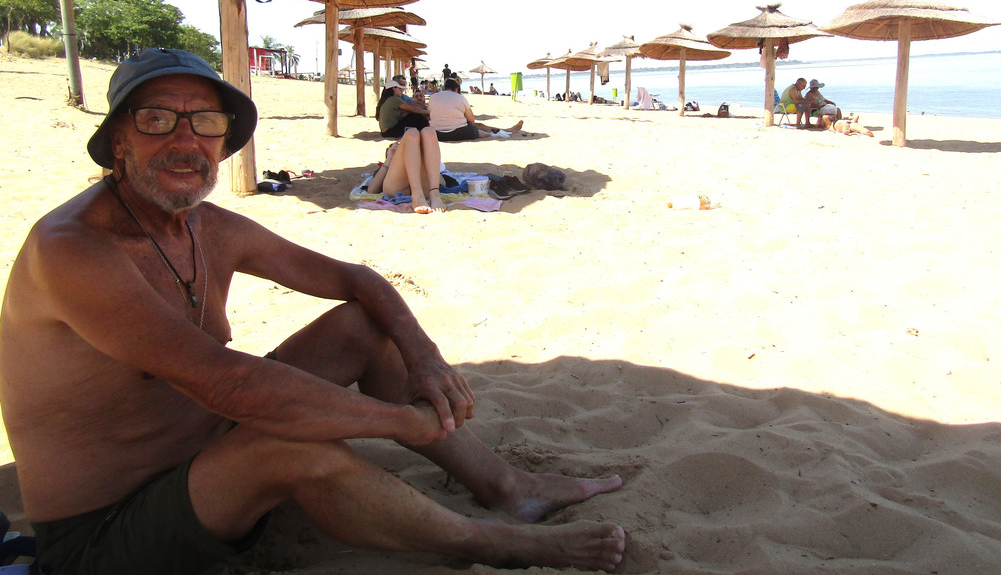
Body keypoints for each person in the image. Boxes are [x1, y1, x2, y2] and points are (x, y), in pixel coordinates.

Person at [0, 48, 625, 575]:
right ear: (118, 139)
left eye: (206, 122)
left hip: (208, 451)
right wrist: (398, 423)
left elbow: (357, 280)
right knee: (290, 447)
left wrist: (425, 357)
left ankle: (505, 487)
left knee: (364, 326)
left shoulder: (206, 227)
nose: (185, 141)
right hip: (105, 532)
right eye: (157, 119)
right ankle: (492, 544)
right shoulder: (74, 250)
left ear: (223, 140)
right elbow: (230, 385)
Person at [367, 127, 446, 213]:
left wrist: (422, 154)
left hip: (427, 188)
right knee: (411, 133)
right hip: (396, 188)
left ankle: (434, 194)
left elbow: (442, 183)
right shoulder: (387, 167)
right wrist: (389, 160)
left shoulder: (427, 164)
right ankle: (417, 195)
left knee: (429, 132)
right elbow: (372, 190)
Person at [428, 78, 524, 142]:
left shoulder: (433, 97)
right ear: (456, 88)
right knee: (476, 128)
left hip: (436, 134)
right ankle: (497, 133)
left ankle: (505, 130)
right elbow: (471, 120)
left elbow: (430, 115)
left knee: (476, 125)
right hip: (458, 133)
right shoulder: (460, 98)